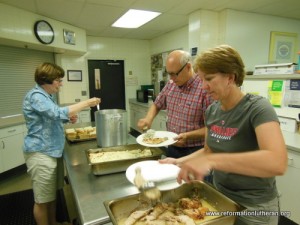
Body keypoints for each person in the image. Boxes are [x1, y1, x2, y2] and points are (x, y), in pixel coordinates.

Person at [160, 45, 287, 225]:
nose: (204, 87)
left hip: (255, 207)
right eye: (202, 80)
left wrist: (213, 161)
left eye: (209, 79)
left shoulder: (258, 108)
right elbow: (209, 151)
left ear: (230, 77)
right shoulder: (212, 111)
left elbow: (277, 162)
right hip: (219, 198)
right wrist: (179, 162)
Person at [22, 62, 101, 225]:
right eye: (58, 80)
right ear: (47, 80)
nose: (61, 83)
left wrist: (67, 117)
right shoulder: (36, 96)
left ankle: (53, 222)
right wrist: (87, 103)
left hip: (53, 151)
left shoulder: (46, 96)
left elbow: (52, 117)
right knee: (42, 200)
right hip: (41, 153)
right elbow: (55, 112)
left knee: (51, 196)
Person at [138, 50, 214, 158]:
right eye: (169, 74)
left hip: (195, 151)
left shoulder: (204, 89)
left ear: (188, 67)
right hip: (172, 147)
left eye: (174, 74)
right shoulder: (171, 85)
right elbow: (157, 104)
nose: (171, 78)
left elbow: (212, 128)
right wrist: (148, 119)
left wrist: (188, 136)